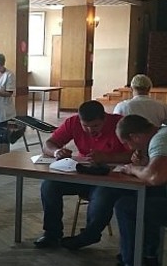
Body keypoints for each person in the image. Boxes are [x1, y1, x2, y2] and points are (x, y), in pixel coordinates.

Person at [34, 100, 132, 249]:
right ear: (79, 120)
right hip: (82, 174)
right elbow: (48, 144)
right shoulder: (72, 122)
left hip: (110, 178)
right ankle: (52, 234)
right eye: (85, 126)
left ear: (105, 118)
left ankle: (89, 236)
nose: (90, 130)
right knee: (49, 185)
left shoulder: (120, 124)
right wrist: (56, 152)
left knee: (102, 197)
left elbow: (134, 155)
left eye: (95, 126)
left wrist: (107, 157)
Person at [99, 115, 167, 266]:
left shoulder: (160, 140)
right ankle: (148, 255)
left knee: (126, 207)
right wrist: (146, 164)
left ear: (135, 136)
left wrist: (133, 169)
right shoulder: (162, 133)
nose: (129, 148)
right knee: (147, 196)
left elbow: (155, 177)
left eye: (127, 143)